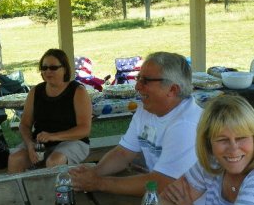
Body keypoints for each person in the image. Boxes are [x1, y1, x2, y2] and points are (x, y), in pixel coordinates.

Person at [70, 52, 202, 197]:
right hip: (166, 199)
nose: (137, 86)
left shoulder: (186, 125)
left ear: (172, 89)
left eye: (145, 81)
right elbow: (123, 152)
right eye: (138, 78)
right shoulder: (147, 109)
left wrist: (98, 183)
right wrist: (93, 173)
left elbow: (163, 183)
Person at [7, 48, 92, 173]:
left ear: (64, 69)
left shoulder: (78, 91)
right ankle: (17, 192)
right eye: (44, 67)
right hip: (41, 143)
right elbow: (25, 124)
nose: (48, 71)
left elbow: (84, 129)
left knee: (54, 161)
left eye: (53, 68)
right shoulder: (35, 92)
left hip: (73, 141)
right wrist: (30, 144)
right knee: (15, 159)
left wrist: (53, 136)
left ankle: (57, 192)